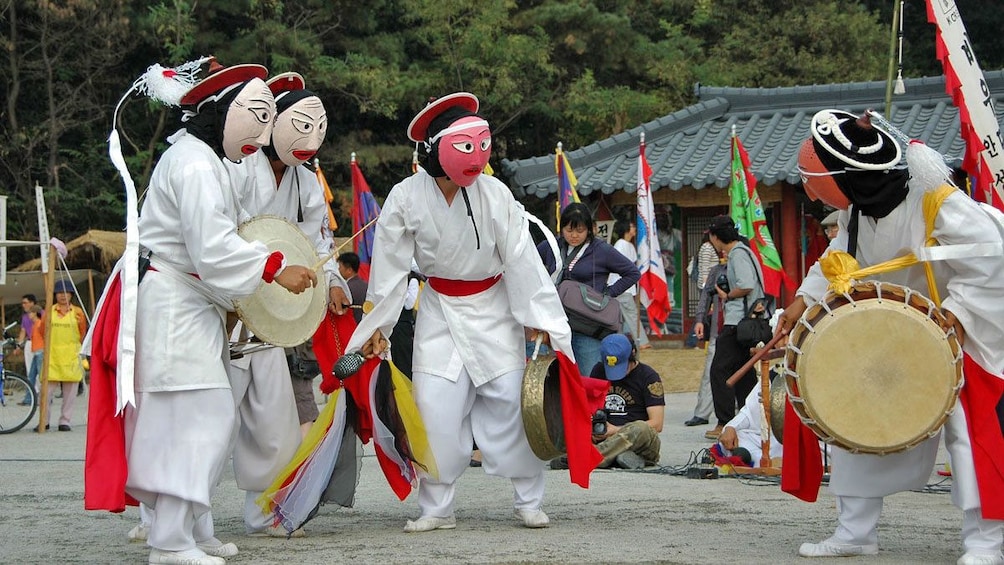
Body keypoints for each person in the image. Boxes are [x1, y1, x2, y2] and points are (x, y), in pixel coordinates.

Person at [85, 59, 318, 565]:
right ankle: (169, 541)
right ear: (221, 113)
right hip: (173, 303)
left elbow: (227, 239)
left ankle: (193, 528)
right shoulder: (192, 163)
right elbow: (212, 247)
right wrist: (275, 269)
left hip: (191, 302)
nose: (261, 129)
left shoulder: (209, 160)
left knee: (198, 418)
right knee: (196, 416)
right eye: (255, 115)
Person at [342, 92, 576, 532]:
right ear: (436, 151)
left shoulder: (496, 193)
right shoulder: (405, 196)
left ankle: (528, 498)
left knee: (513, 401)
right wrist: (378, 326)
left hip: (494, 309)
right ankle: (437, 508)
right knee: (435, 408)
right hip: (438, 311)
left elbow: (521, 258)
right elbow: (389, 272)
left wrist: (541, 319)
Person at [781, 109, 1004, 564]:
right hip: (891, 329)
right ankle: (855, 532)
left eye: (817, 174)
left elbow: (991, 263)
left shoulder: (939, 201)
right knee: (855, 417)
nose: (810, 184)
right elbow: (839, 257)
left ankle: (987, 544)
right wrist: (804, 298)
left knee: (970, 433)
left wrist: (954, 319)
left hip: (960, 331)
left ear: (849, 177)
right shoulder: (858, 210)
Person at [223, 71, 353, 537]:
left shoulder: (305, 180)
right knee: (212, 418)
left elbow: (319, 238)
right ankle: (167, 516)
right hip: (223, 307)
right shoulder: (236, 165)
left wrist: (334, 280)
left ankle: (261, 512)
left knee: (275, 421)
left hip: (270, 316)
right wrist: (242, 282)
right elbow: (220, 234)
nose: (307, 141)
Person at [538, 202, 640, 373]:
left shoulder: (601, 250)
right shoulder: (551, 246)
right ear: (561, 228)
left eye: (580, 231)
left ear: (589, 229)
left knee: (588, 378)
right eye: (569, 230)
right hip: (555, 323)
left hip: (588, 326)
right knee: (558, 379)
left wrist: (608, 293)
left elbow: (632, 273)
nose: (574, 236)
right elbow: (528, 266)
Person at [705, 214, 766, 441]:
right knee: (744, 372)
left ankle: (723, 421)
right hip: (747, 322)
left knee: (720, 370)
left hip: (737, 321)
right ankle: (746, 419)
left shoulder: (737, 254)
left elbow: (746, 285)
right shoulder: (746, 250)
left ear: (716, 236)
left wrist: (727, 294)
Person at [587, 333, 664, 469]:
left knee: (640, 428)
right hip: (604, 439)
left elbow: (657, 424)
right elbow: (590, 408)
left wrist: (615, 430)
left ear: (633, 354)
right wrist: (593, 430)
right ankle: (617, 458)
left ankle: (593, 457)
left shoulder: (649, 376)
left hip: (639, 441)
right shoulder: (598, 371)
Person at [35, 279, 87, 432]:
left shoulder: (78, 313)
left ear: (71, 295)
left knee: (70, 393)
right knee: (46, 393)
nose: (63, 296)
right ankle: (44, 421)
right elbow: (41, 331)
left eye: (66, 293)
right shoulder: (48, 312)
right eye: (59, 293)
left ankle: (65, 421)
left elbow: (82, 332)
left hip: (71, 356)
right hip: (53, 356)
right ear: (55, 295)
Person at [685, 253, 726, 428]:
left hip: (741, 330)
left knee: (743, 374)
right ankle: (702, 413)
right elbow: (705, 298)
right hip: (719, 329)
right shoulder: (716, 271)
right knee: (710, 371)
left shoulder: (745, 268)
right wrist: (700, 319)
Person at [715, 384, 782, 468]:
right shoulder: (770, 378)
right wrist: (730, 427)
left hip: (782, 438)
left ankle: (762, 462)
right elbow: (748, 412)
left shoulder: (799, 380)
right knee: (736, 437)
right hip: (757, 438)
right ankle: (761, 461)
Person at [608, 218, 649, 350]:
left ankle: (620, 342)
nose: (634, 229)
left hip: (626, 286)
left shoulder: (629, 245)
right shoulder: (620, 244)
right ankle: (642, 341)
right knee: (631, 314)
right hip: (620, 286)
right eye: (631, 226)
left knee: (620, 317)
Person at [337, 251, 368, 323]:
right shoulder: (366, 285)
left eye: (340, 267)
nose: (338, 270)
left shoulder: (345, 289)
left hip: (352, 327)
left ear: (349, 270)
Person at [15, 294, 37, 366]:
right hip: (29, 343)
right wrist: (18, 346)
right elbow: (23, 331)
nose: (23, 305)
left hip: (41, 343)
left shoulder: (42, 313)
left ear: (32, 303)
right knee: (30, 368)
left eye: (25, 303)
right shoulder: (25, 317)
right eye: (22, 303)